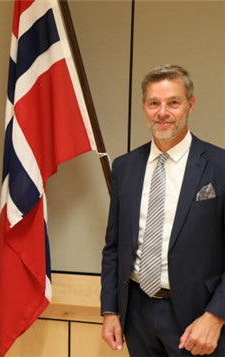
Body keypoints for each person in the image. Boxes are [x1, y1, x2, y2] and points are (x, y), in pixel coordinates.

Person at [101, 65, 225, 356]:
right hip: (136, 314)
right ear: (144, 107)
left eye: (173, 102)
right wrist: (110, 309)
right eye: (153, 103)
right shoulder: (125, 166)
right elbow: (113, 246)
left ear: (190, 106)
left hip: (199, 318)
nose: (162, 112)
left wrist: (216, 316)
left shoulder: (220, 166)